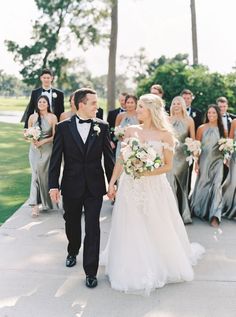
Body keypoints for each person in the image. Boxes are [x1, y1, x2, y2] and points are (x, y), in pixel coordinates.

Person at [101, 94, 205, 295]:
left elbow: (167, 166)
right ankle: (131, 263)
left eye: (140, 107)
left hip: (154, 187)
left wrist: (144, 171)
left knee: (155, 224)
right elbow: (122, 160)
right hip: (130, 186)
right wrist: (112, 182)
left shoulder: (166, 135)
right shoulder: (131, 131)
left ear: (150, 110)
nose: (136, 110)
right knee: (130, 224)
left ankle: (158, 262)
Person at [49, 88, 114, 289]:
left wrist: (113, 184)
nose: (97, 106)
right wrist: (53, 185)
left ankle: (90, 271)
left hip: (95, 186)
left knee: (93, 227)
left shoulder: (102, 126)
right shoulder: (63, 127)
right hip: (71, 184)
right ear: (81, 105)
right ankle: (72, 249)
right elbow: (56, 158)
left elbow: (109, 158)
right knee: (72, 222)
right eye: (93, 103)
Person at [190, 104, 226, 227]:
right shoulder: (201, 128)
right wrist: (196, 162)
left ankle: (215, 216)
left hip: (218, 161)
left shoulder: (223, 130)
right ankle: (199, 209)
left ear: (218, 115)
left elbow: (225, 147)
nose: (211, 115)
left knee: (217, 186)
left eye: (214, 113)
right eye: (209, 113)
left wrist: (226, 157)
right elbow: (197, 147)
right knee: (203, 185)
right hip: (205, 160)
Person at [26, 95, 58, 217]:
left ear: (48, 104)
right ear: (37, 104)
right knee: (34, 175)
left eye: (44, 102)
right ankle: (34, 205)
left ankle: (46, 203)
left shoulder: (53, 117)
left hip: (47, 149)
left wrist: (43, 142)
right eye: (40, 101)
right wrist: (32, 139)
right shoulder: (32, 117)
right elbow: (28, 133)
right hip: (34, 150)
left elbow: (55, 136)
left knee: (44, 176)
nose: (42, 103)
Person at [167, 96, 195, 224]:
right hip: (170, 155)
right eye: (174, 103)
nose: (176, 105)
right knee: (170, 182)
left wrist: (193, 151)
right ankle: (171, 215)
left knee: (182, 185)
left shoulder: (189, 120)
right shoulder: (167, 119)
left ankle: (183, 213)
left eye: (179, 103)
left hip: (183, 156)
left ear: (183, 105)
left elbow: (193, 139)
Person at [181, 89, 202, 195]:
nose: (186, 100)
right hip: (177, 148)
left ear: (191, 99)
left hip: (190, 148)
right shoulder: (173, 112)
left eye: (188, 98)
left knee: (189, 173)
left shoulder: (197, 113)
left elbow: (199, 132)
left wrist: (195, 148)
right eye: (184, 98)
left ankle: (186, 197)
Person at [216, 96, 236, 181]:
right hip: (216, 148)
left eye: (224, 106)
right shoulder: (212, 117)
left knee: (229, 173)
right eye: (220, 106)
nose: (222, 108)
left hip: (230, 147)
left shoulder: (233, 118)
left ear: (227, 106)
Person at [115, 94, 139, 160]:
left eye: (132, 103)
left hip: (136, 146)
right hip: (122, 145)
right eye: (128, 102)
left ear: (136, 104)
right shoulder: (120, 116)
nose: (130, 104)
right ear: (125, 104)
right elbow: (116, 130)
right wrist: (120, 135)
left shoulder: (139, 116)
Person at [221, 119, 236, 219]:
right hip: (235, 156)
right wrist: (227, 156)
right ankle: (227, 206)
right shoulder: (234, 121)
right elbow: (230, 140)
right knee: (233, 182)